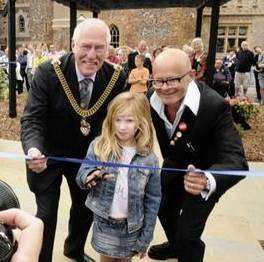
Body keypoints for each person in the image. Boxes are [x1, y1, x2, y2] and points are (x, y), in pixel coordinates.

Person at [20, 18, 126, 262]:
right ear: (73, 45)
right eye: (85, 46)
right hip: (47, 155)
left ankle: (74, 250)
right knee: (46, 214)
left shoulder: (117, 78)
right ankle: (42, 258)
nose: (92, 55)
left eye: (99, 48)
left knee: (85, 209)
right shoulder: (48, 72)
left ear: (108, 49)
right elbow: (32, 118)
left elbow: (120, 122)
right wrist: (33, 148)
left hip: (88, 158)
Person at [147, 48, 248, 262]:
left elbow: (236, 160)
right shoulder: (150, 99)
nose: (164, 88)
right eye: (158, 81)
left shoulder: (214, 105)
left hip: (204, 174)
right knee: (162, 208)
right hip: (174, 165)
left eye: (173, 80)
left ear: (191, 75)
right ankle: (175, 246)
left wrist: (206, 179)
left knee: (188, 233)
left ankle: (187, 249)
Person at [76, 92, 161, 262]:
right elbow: (81, 176)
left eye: (129, 120)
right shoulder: (99, 146)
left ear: (141, 122)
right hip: (104, 224)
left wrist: (146, 236)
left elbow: (153, 200)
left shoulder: (149, 159)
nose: (122, 127)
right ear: (111, 120)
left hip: (132, 227)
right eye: (118, 120)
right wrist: (89, 177)